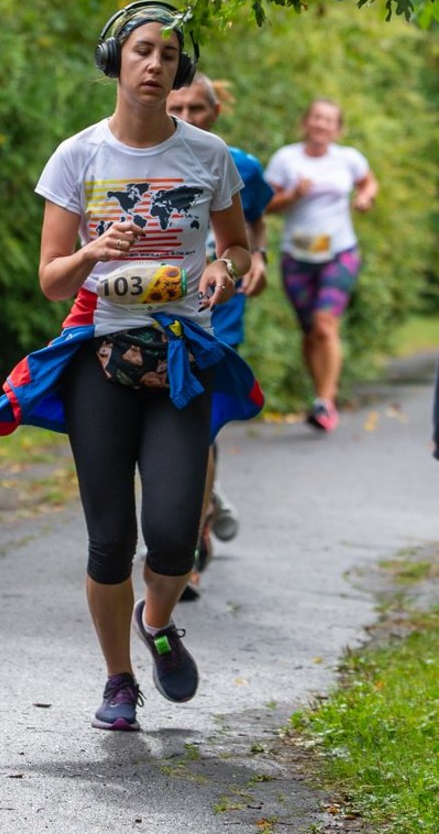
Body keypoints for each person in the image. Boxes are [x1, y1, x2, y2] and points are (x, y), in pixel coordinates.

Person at [34, 0, 254, 731]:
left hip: (181, 363)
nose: (156, 64)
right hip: (102, 357)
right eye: (143, 52)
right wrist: (95, 254)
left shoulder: (208, 156)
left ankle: (155, 621)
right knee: (109, 538)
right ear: (116, 62)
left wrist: (227, 268)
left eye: (168, 54)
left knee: (172, 537)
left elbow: (239, 246)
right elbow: (52, 279)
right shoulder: (79, 155)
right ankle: (118, 681)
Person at [167, 74, 273, 596]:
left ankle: (187, 542)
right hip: (157, 313)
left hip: (217, 312)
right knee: (171, 424)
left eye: (197, 108)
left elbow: (252, 223)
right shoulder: (140, 160)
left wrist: (260, 261)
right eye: (177, 107)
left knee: (201, 422)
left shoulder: (238, 164)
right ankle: (200, 502)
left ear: (216, 112)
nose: (187, 117)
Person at [265, 98, 378, 432]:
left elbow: (369, 181)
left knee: (325, 323)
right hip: (297, 256)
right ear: (305, 122)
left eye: (328, 120)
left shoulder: (348, 159)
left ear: (337, 128)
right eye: (315, 117)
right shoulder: (286, 158)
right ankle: (319, 394)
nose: (321, 124)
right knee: (309, 331)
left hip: (340, 251)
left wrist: (365, 197)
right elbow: (267, 205)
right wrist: (293, 195)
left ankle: (325, 402)